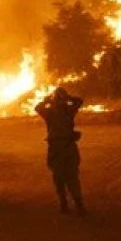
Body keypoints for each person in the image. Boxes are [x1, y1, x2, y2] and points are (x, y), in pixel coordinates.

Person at [35, 87, 86, 215]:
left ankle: (64, 203)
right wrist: (68, 98)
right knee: (72, 176)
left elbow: (37, 107)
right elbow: (79, 101)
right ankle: (77, 204)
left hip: (56, 148)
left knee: (59, 176)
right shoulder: (69, 110)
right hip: (68, 146)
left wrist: (47, 100)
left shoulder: (49, 112)